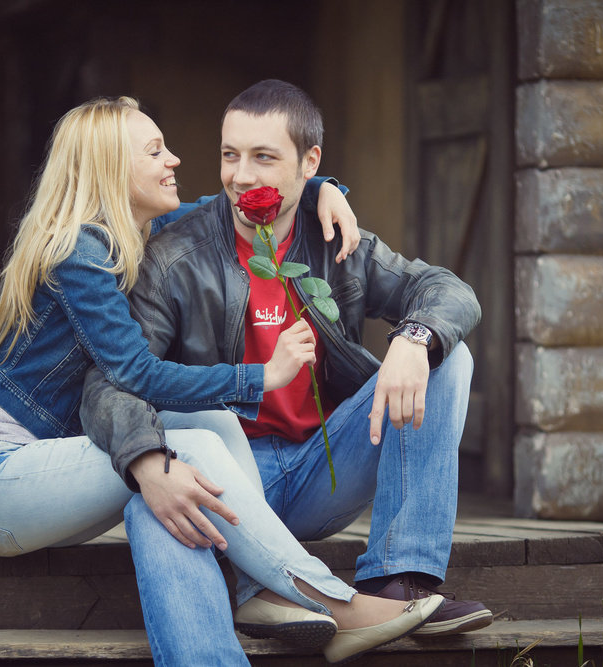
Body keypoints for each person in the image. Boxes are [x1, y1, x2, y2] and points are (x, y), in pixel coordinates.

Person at [0, 96, 444, 667]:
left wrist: (326, 186)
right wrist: (262, 376)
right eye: (155, 150)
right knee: (195, 444)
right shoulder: (77, 254)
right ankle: (327, 597)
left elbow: (241, 198)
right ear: (110, 168)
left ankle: (259, 595)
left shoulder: (141, 228)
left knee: (208, 425)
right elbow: (134, 373)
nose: (175, 159)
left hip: (50, 470)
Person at [81, 80, 492, 661]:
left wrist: (413, 338)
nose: (241, 176)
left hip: (322, 468)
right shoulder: (175, 259)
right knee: (152, 504)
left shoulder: (335, 242)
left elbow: (446, 291)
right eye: (230, 155)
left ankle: (400, 585)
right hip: (225, 481)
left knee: (448, 356)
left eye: (264, 157)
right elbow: (110, 384)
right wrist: (149, 461)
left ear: (310, 164)